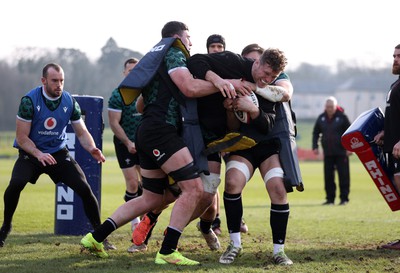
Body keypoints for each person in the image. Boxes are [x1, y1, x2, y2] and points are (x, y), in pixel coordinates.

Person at [80, 21, 236, 265]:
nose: (191, 42)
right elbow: (189, 87)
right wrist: (228, 85)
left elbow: (141, 104)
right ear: (176, 37)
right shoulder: (174, 53)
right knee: (194, 188)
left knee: (151, 199)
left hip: (147, 131)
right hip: (161, 132)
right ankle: (167, 251)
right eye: (188, 37)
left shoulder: (156, 59)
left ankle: (95, 238)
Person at [186, 47, 293, 266]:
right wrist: (224, 93)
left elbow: (268, 125)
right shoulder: (231, 62)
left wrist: (253, 110)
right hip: (241, 145)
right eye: (266, 74)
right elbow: (195, 61)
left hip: (267, 146)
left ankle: (279, 251)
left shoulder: (268, 89)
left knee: (278, 188)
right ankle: (234, 244)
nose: (268, 79)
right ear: (257, 63)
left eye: (273, 77)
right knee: (232, 182)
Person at [0, 63, 114, 249]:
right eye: (54, 81)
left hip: (58, 154)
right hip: (32, 153)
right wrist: (38, 153)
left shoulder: (69, 101)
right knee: (16, 184)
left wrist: (92, 148)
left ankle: (100, 235)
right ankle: (6, 226)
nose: (59, 85)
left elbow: (82, 132)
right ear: (43, 81)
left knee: (84, 188)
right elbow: (21, 138)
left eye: (61, 80)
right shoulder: (29, 101)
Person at [107, 57, 148, 252]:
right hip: (125, 143)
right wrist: (128, 142)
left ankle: (143, 218)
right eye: (129, 70)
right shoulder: (118, 95)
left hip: (145, 143)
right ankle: (135, 221)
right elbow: (114, 123)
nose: (132, 73)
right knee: (132, 183)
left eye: (136, 70)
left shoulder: (147, 91)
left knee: (147, 184)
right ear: (124, 73)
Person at [374, 44, 400, 250]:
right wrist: (385, 133)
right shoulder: (396, 84)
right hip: (393, 147)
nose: (395, 59)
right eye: (394, 56)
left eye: (399, 56)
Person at [312, 96, 351, 205]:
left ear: (336, 106)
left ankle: (344, 199)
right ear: (325, 107)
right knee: (328, 177)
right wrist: (315, 146)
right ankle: (330, 199)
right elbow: (315, 133)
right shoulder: (321, 118)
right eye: (328, 106)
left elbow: (350, 133)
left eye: (331, 106)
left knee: (343, 176)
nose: (329, 109)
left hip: (342, 152)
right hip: (328, 153)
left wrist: (349, 148)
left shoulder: (343, 117)